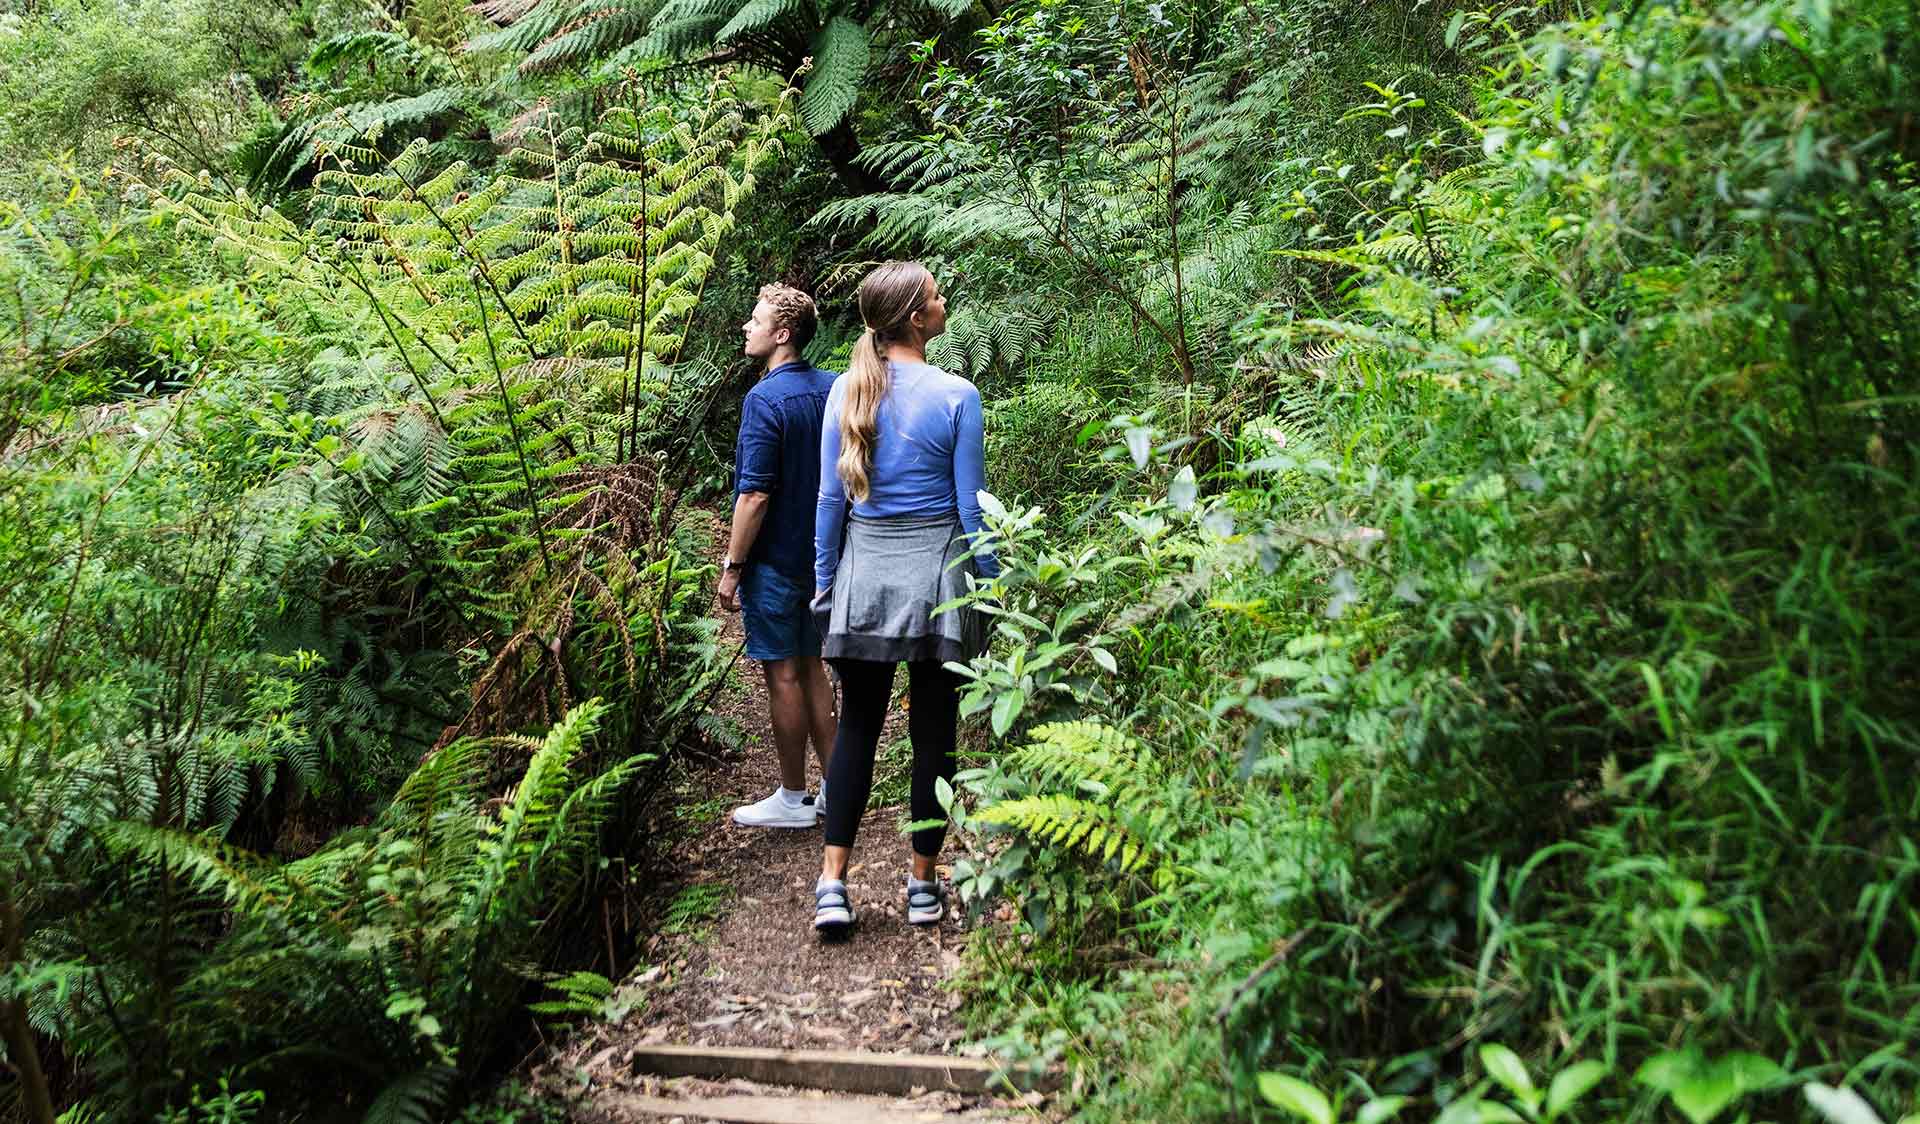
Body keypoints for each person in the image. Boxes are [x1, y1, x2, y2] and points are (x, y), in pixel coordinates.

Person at [810, 260, 997, 935]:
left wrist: (824, 582)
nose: (946, 302)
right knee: (933, 734)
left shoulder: (847, 393)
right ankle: (921, 885)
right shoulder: (957, 395)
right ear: (917, 319)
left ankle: (834, 882)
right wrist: (994, 584)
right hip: (937, 582)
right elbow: (971, 511)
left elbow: (832, 502)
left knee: (859, 724)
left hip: (866, 575)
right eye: (937, 296)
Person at [717, 283, 840, 829]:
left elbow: (754, 494)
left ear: (782, 335)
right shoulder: (835, 389)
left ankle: (793, 798)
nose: (748, 327)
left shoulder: (764, 400)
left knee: (783, 676)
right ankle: (837, 792)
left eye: (756, 319)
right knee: (814, 668)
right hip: (823, 558)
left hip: (772, 566)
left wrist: (732, 569)